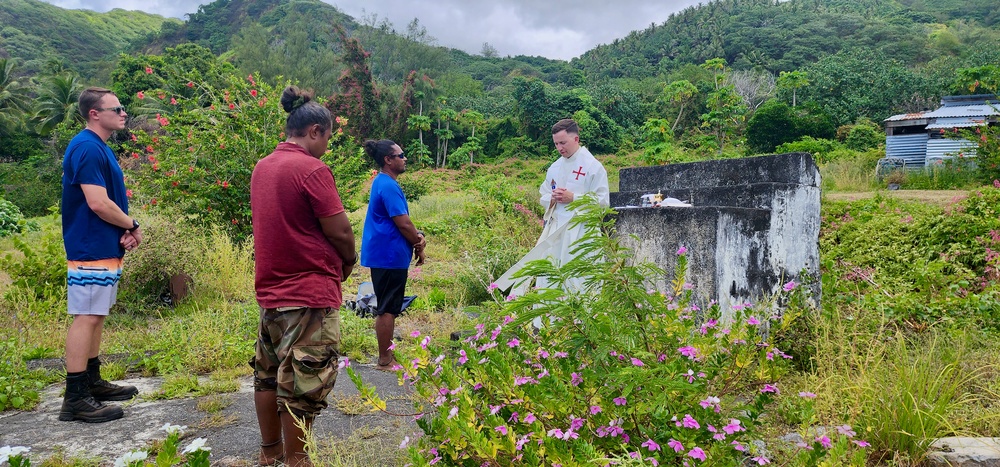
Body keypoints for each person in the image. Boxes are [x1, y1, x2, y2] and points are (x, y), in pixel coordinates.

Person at [249, 86, 357, 467]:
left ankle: (270, 454)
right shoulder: (312, 169)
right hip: (309, 294)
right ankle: (298, 461)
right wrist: (348, 261)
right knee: (303, 386)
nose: (326, 145)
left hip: (272, 294)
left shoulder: (263, 166)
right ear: (315, 130)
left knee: (267, 375)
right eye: (327, 137)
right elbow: (340, 230)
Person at [60, 87, 142, 423]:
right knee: (87, 315)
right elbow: (97, 202)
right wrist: (132, 224)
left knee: (96, 314)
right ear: (95, 113)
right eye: (117, 108)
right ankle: (75, 397)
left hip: (101, 245)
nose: (123, 113)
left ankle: (91, 383)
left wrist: (123, 228)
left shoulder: (97, 147)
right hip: (90, 246)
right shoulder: (88, 148)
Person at [494, 118, 610, 296]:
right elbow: (544, 194)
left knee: (579, 277)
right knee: (551, 274)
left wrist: (574, 198)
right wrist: (553, 199)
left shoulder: (593, 167)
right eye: (556, 143)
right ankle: (548, 321)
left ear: (576, 139)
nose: (559, 148)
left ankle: (580, 321)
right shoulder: (554, 168)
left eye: (563, 142)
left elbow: (603, 202)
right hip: (556, 232)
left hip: (581, 231)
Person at [360, 139, 426, 371]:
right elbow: (404, 223)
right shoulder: (388, 185)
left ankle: (387, 356)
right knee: (388, 307)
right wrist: (418, 241)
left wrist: (417, 237)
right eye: (401, 155)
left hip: (387, 254)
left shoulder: (383, 183)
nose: (404, 158)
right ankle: (385, 360)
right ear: (388, 160)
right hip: (388, 256)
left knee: (389, 305)